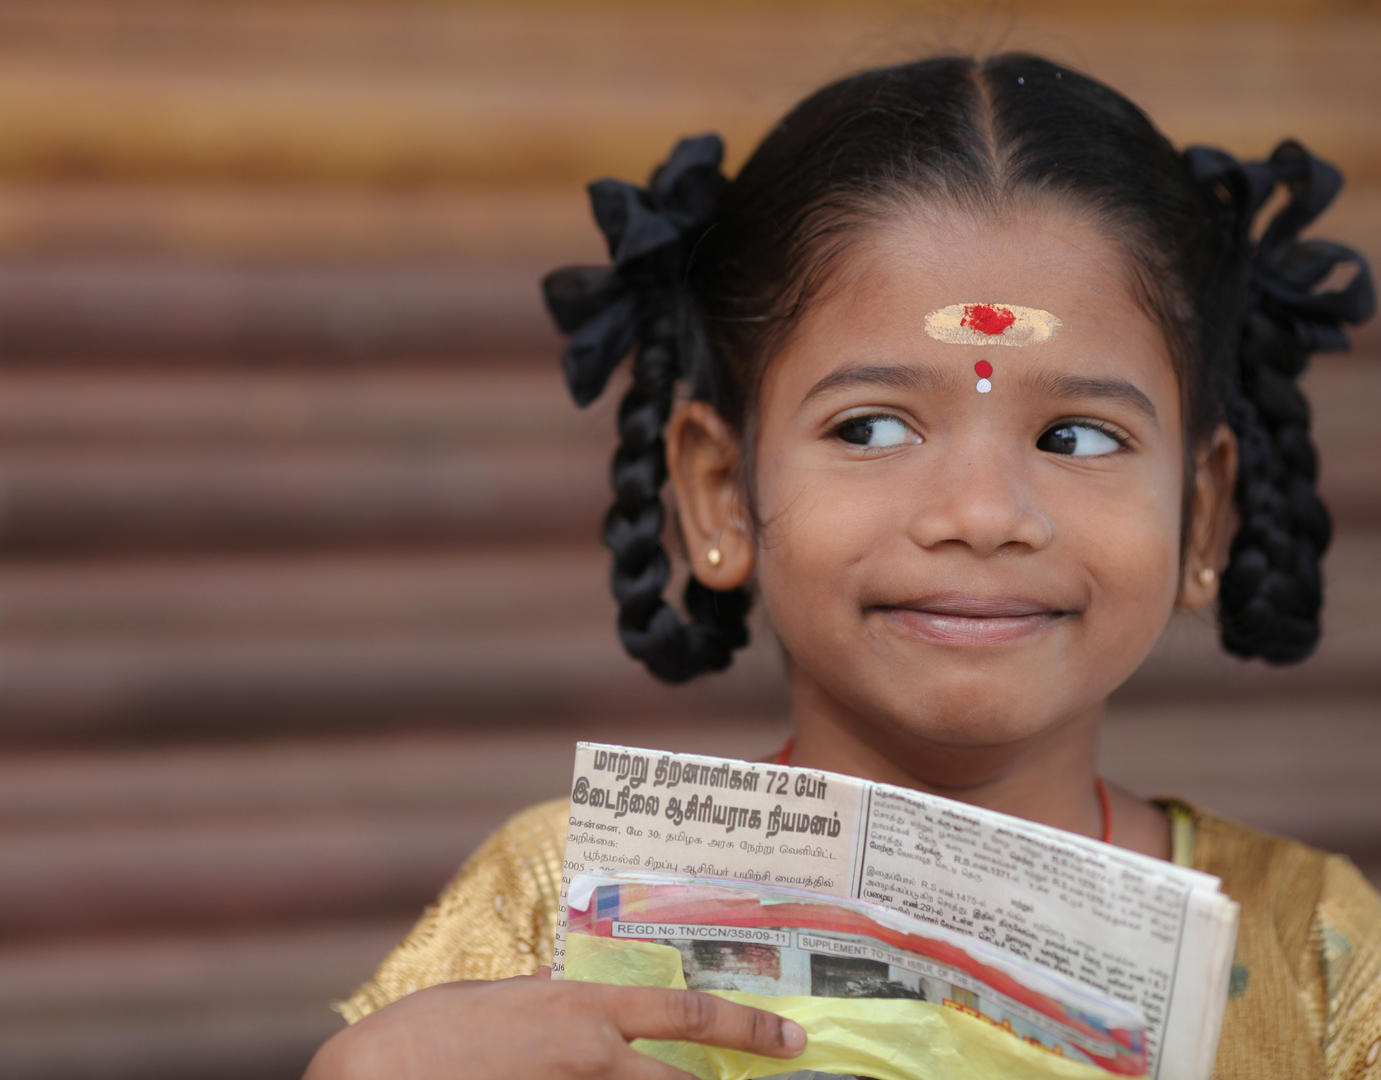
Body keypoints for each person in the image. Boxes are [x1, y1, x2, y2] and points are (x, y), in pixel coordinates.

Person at [305, 53, 1378, 1080]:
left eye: (1080, 438)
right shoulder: (549, 906)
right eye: (871, 429)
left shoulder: (1319, 958)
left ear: (1201, 516)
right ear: (719, 493)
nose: (983, 515)